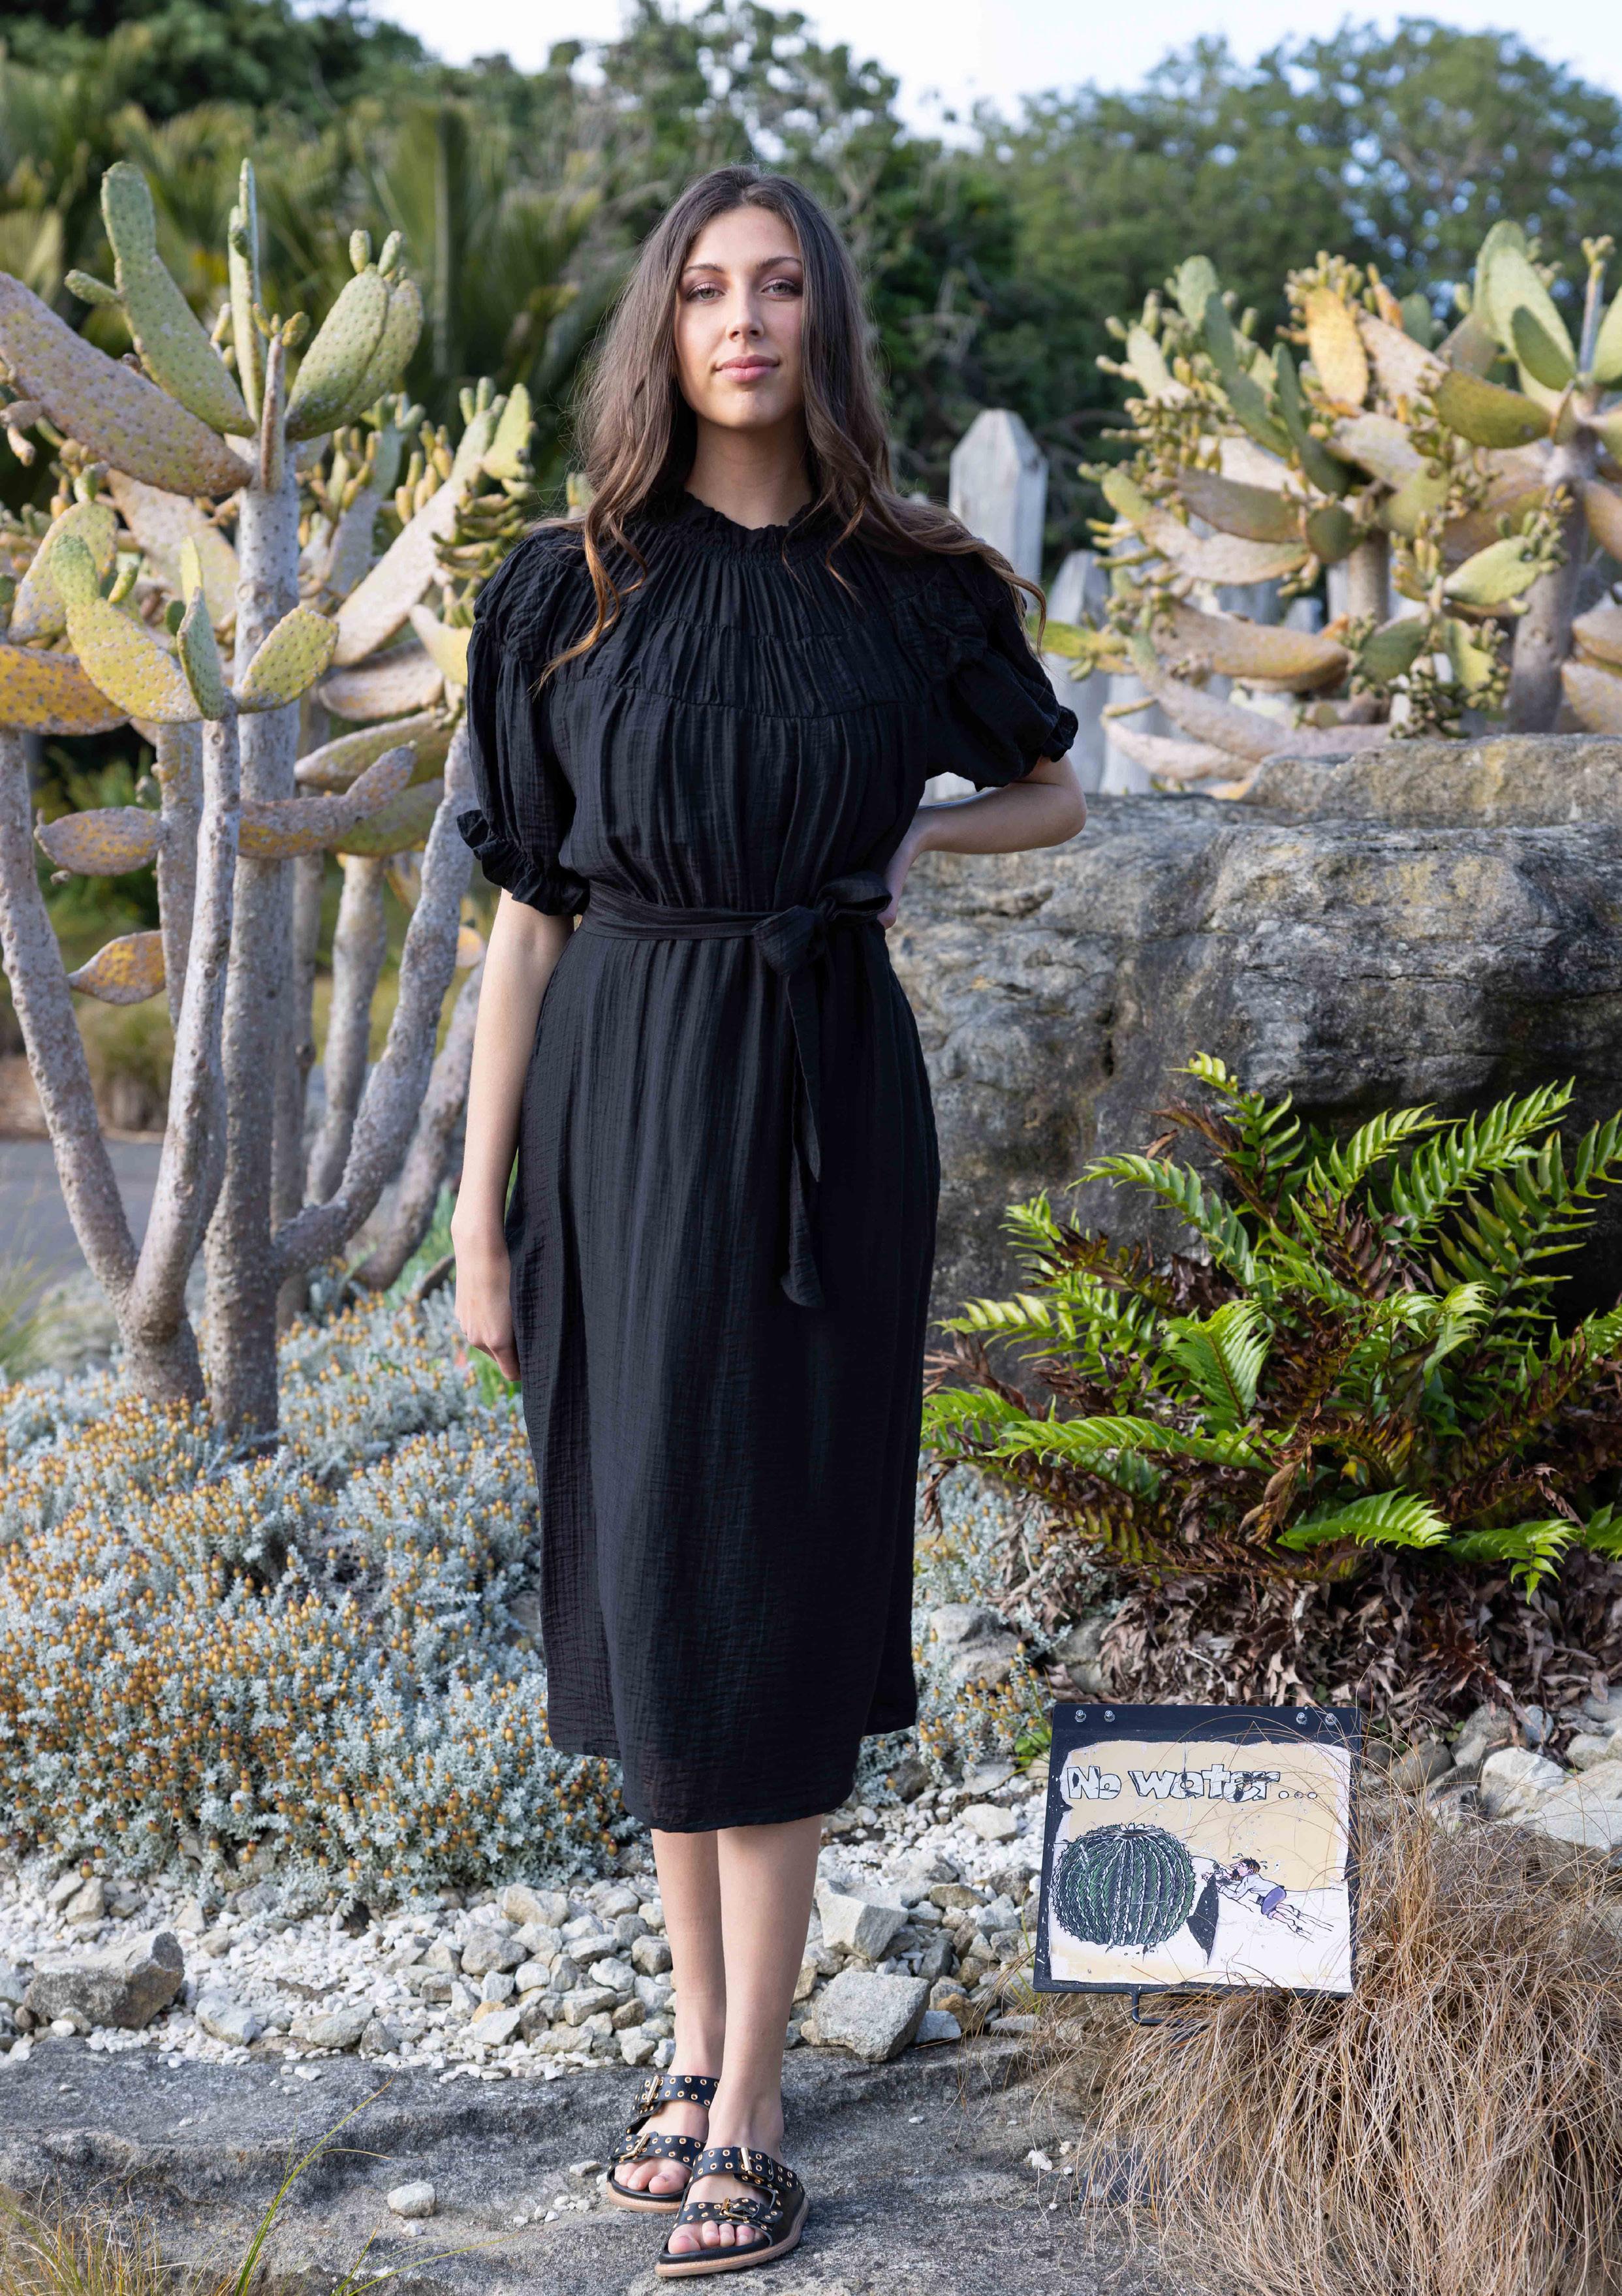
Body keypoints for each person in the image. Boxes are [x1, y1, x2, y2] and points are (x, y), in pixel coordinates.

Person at [452, 161, 1086, 2277]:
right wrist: (478, 1218)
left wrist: (913, 846)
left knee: (783, 1570)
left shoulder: (909, 584)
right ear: (665, 323)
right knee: (652, 1558)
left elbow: (1054, 787)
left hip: (823, 1097)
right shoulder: (564, 589)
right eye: (709, 287)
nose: (744, 318)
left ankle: (753, 2098)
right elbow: (526, 921)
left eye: (781, 284)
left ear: (823, 323)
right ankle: (691, 2032)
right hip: (618, 1095)